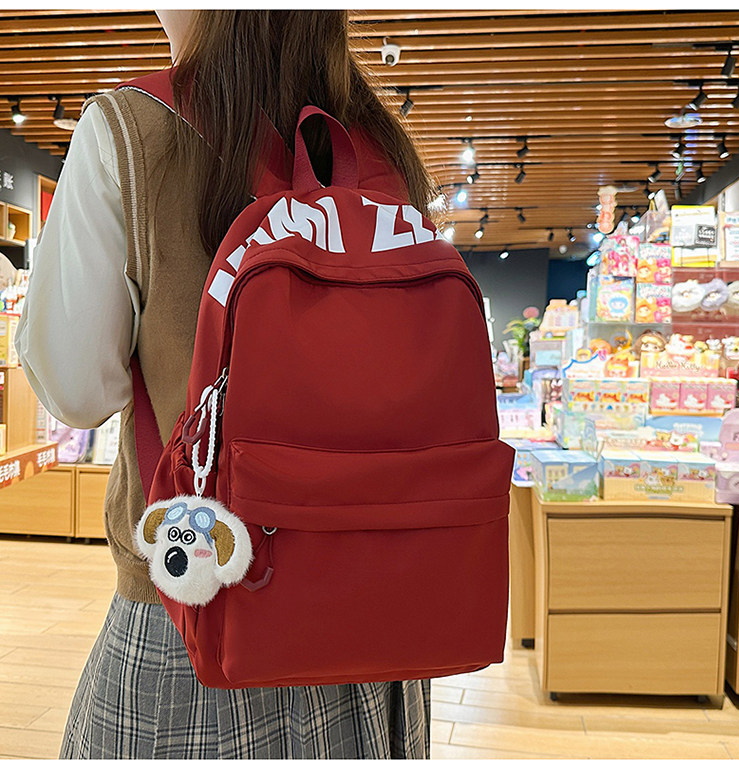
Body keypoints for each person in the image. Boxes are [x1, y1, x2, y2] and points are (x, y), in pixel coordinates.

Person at [16, 10, 433, 759]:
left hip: (201, 612)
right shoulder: (381, 147)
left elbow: (75, 389)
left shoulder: (130, 131)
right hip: (378, 629)